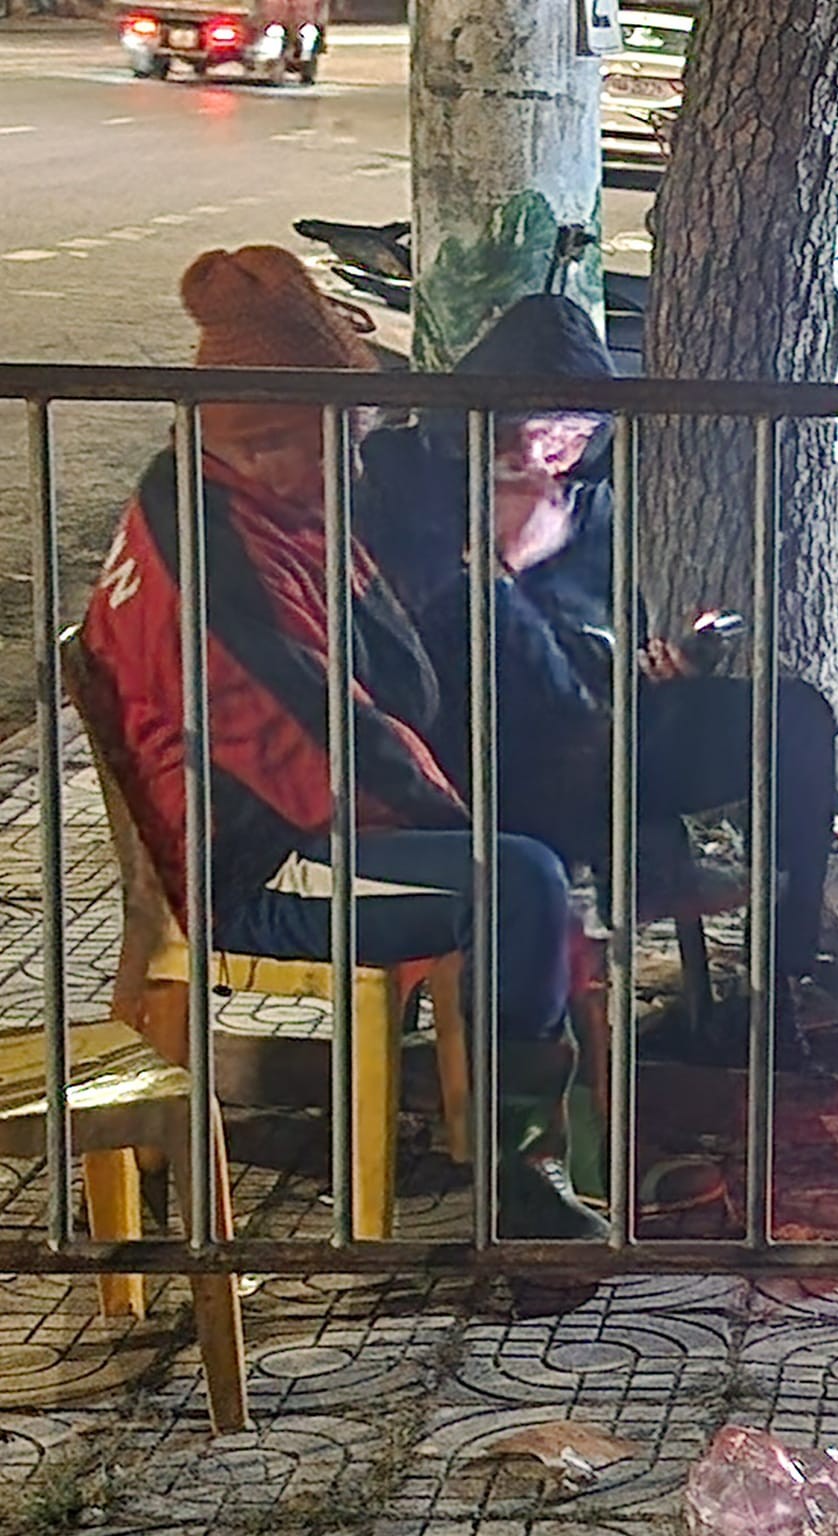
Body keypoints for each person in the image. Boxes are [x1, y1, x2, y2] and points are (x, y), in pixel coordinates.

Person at [82, 247, 601, 1238]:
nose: (354, 460)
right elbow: (317, 748)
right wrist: (458, 819)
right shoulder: (217, 556)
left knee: (514, 844)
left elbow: (390, 665)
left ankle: (511, 1120)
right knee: (515, 881)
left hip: (275, 813)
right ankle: (516, 1176)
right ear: (266, 437)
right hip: (254, 856)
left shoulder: (258, 500)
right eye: (338, 437)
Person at [352, 293, 838, 1052]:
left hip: (598, 728)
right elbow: (412, 648)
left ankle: (777, 979)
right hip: (475, 748)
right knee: (565, 774)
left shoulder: (587, 499)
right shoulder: (398, 478)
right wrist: (497, 567)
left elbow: (607, 630)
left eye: (576, 434)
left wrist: (655, 664)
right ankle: (526, 1043)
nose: (557, 454)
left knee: (796, 718)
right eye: (542, 429)